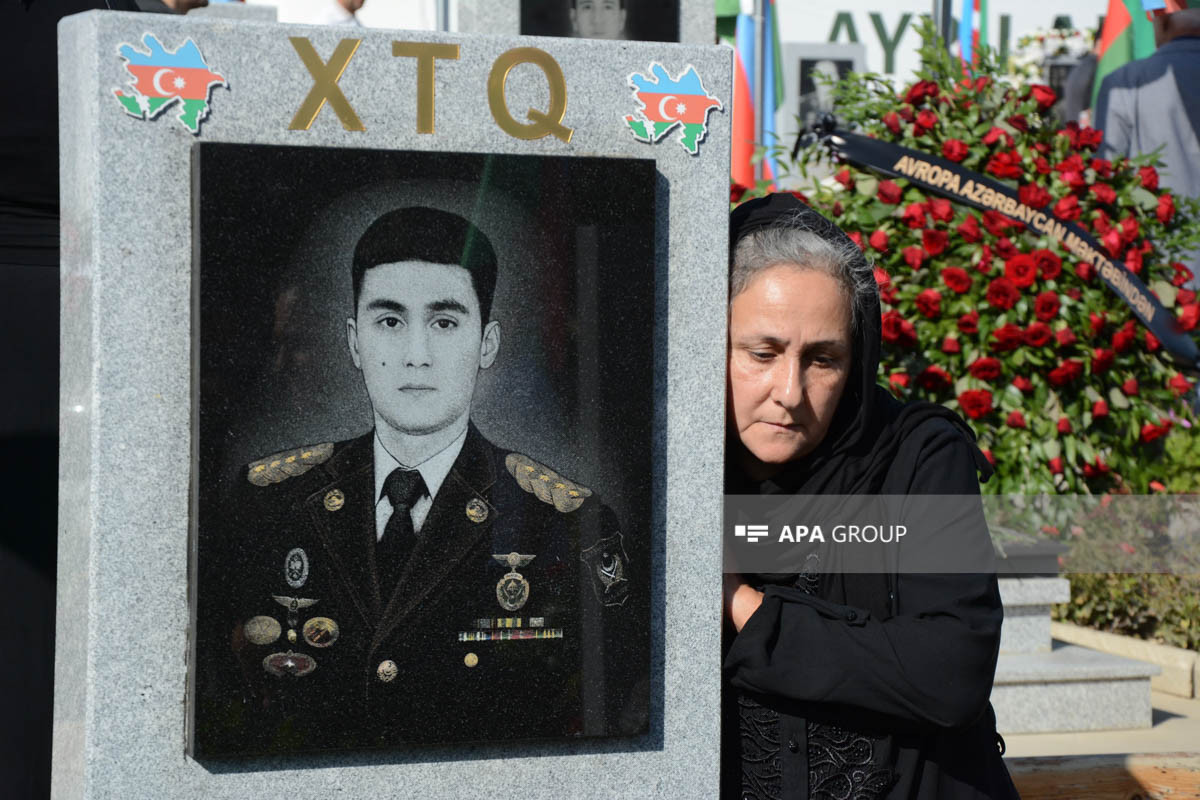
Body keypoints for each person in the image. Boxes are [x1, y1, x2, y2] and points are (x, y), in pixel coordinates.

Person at [193, 207, 643, 755]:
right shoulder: (269, 502)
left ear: (488, 344)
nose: (416, 356)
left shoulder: (569, 524)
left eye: (445, 322)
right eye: (390, 321)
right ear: (355, 342)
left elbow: (602, 714)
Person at [721, 194, 1019, 799]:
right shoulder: (676, 474)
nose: (790, 392)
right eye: (762, 353)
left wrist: (742, 607)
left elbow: (952, 669)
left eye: (823, 360)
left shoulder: (918, 460)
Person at [1095, 8, 1200, 212]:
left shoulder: (1123, 81)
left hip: (1163, 232)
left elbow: (1107, 168)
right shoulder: (1126, 80)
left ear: (1160, 27)